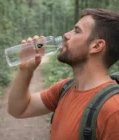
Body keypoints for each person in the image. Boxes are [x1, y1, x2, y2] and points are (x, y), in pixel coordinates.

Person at [7, 8, 119, 140]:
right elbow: (18, 109)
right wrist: (25, 70)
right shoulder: (64, 89)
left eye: (77, 31)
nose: (66, 34)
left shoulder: (113, 110)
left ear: (96, 46)